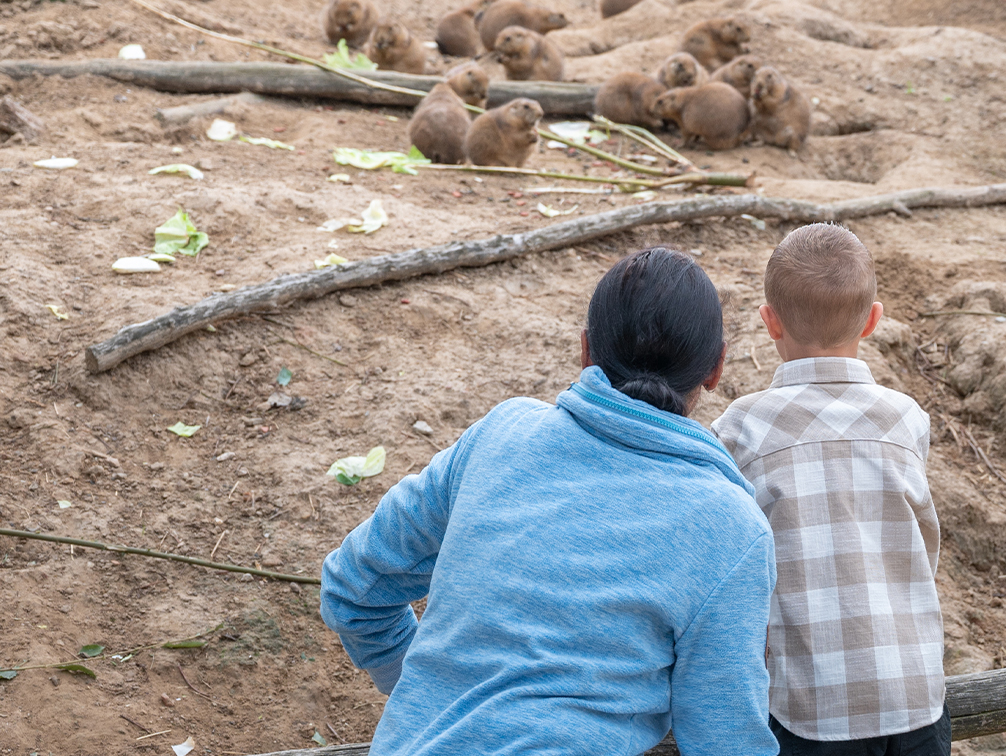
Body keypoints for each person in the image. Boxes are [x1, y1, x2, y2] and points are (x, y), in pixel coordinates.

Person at [320, 247, 780, 756]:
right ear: (716, 367)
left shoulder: (500, 434)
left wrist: (433, 699)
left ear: (585, 350)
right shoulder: (731, 528)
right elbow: (724, 737)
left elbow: (354, 587)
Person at [713, 224, 949, 755]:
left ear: (769, 322)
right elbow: (922, 544)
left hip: (810, 705)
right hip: (915, 694)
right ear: (873, 320)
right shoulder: (906, 419)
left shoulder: (740, 429)